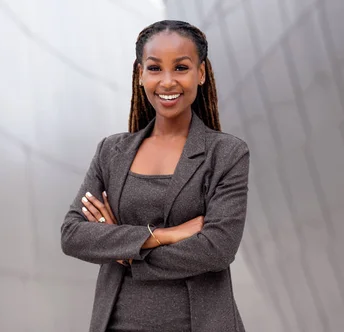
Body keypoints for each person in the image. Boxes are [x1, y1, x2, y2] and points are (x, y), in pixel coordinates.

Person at [61, 20, 250, 332]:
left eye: (180, 68)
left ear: (200, 73)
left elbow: (217, 250)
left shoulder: (227, 154)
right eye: (154, 68)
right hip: (116, 324)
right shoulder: (111, 151)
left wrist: (126, 250)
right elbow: (73, 235)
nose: (167, 81)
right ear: (140, 75)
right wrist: (163, 234)